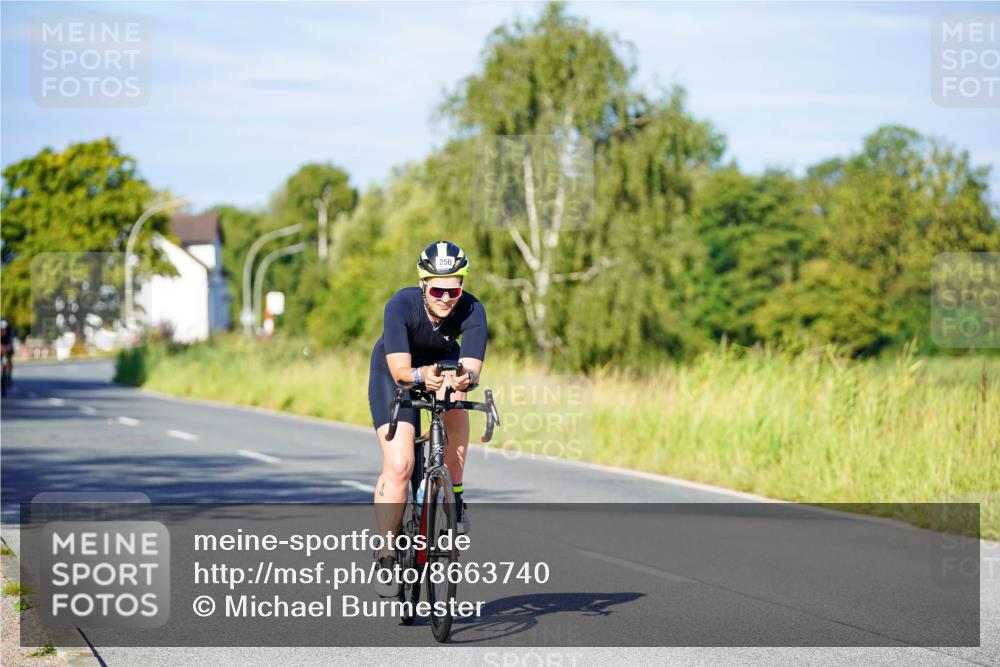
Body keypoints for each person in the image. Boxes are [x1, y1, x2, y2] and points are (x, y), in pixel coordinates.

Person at [367, 241, 487, 597]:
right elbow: (401, 371)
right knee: (401, 465)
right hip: (395, 374)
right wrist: (421, 377)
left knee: (458, 395)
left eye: (455, 288)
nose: (447, 297)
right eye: (437, 289)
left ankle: (456, 493)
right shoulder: (400, 305)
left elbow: (473, 368)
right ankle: (387, 550)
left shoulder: (472, 309)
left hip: (443, 369)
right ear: (423, 284)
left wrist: (464, 378)